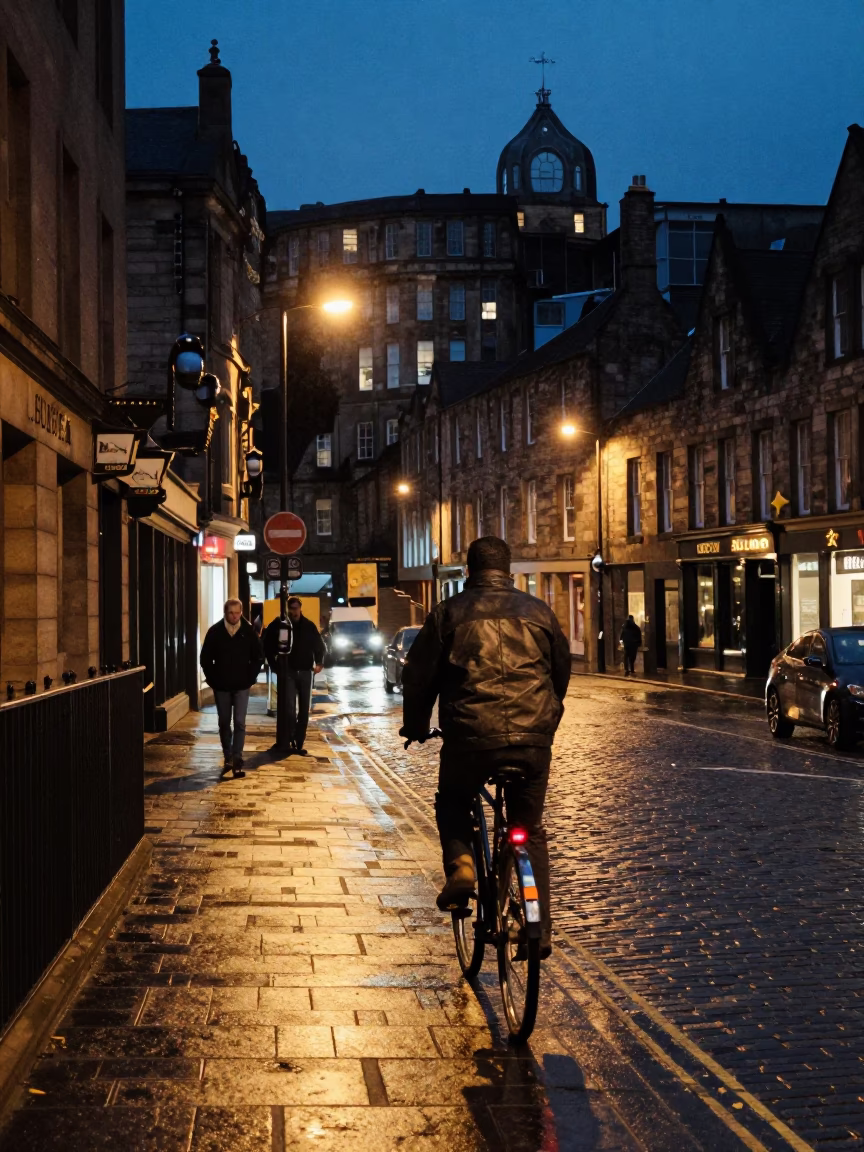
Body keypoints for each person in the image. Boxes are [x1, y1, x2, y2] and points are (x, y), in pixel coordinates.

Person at [400, 535, 571, 959]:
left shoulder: (449, 613)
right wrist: (546, 715)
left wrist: (416, 726)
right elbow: (560, 673)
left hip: (471, 738)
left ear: (469, 571)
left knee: (453, 800)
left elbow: (419, 679)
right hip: (533, 740)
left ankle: (461, 865)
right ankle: (541, 930)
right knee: (528, 831)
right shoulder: (538, 611)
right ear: (508, 570)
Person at [200, 598, 263, 778]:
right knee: (224, 722)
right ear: (225, 612)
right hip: (222, 686)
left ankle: (237, 758)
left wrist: (250, 677)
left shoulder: (249, 631)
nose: (234, 617)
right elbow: (205, 659)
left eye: (237, 613)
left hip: (242, 685)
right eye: (231, 613)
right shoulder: (215, 632)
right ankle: (228, 756)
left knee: (240, 722)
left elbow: (258, 656)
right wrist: (213, 680)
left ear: (241, 612)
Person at [263, 596, 325, 755]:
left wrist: (319, 662)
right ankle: (289, 738)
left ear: (300, 608)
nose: (294, 611)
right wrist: (274, 665)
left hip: (305, 672)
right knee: (289, 708)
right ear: (287, 609)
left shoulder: (308, 626)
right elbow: (267, 644)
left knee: (304, 709)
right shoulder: (279, 625)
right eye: (292, 608)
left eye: (296, 608)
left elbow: (319, 645)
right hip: (288, 672)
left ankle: (299, 740)